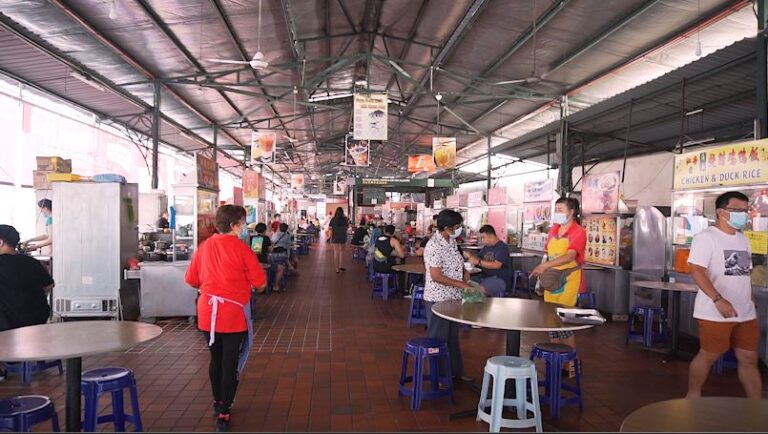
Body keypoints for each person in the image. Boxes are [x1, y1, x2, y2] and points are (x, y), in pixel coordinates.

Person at [184, 205, 267, 432]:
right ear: (233, 225)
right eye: (242, 222)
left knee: (216, 358)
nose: (244, 226)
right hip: (232, 315)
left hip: (207, 313)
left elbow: (191, 279)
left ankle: (217, 400)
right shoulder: (242, 250)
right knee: (230, 363)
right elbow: (260, 282)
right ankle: (224, 410)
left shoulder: (204, 247)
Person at [685, 191, 762, 399]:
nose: (743, 215)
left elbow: (745, 273)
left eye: (745, 210)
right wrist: (718, 299)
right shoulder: (706, 238)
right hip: (714, 311)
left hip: (745, 312)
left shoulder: (743, 239)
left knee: (748, 358)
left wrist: (750, 298)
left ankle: (756, 406)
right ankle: (693, 395)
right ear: (721, 212)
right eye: (737, 210)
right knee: (709, 354)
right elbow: (697, 271)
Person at [531, 197, 586, 376]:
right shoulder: (553, 229)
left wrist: (545, 267)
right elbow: (548, 254)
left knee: (564, 322)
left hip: (568, 280)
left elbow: (570, 256)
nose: (557, 213)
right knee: (551, 321)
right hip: (551, 279)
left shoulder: (578, 231)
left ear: (571, 212)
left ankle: (572, 363)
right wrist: (542, 273)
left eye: (561, 210)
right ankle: (558, 361)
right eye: (556, 209)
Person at [423, 209, 478, 383]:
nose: (459, 229)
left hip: (453, 297)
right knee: (438, 339)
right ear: (446, 227)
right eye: (457, 226)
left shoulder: (452, 242)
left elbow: (458, 263)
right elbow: (436, 276)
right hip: (438, 299)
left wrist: (465, 274)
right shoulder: (433, 246)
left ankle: (455, 372)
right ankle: (437, 376)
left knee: (452, 338)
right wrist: (462, 284)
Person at [466, 225, 511, 297]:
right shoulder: (486, 247)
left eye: (483, 237)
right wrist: (471, 255)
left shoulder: (502, 247)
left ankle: (481, 307)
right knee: (465, 283)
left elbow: (497, 265)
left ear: (491, 236)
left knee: (477, 290)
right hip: (484, 277)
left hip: (499, 279)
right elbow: (478, 257)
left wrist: (478, 262)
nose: (482, 240)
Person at [270, 223, 292, 292]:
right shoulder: (288, 236)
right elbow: (289, 244)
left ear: (279, 227)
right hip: (284, 255)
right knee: (284, 263)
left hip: (274, 255)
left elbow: (272, 243)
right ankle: (288, 268)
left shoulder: (275, 234)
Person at [329, 207, 350, 273]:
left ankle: (337, 269)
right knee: (341, 251)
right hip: (343, 236)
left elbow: (330, 229)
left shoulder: (333, 219)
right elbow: (347, 227)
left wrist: (330, 237)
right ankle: (340, 266)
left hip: (335, 236)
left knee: (336, 252)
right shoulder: (345, 219)